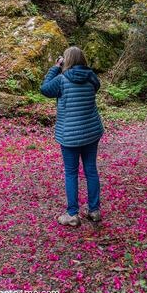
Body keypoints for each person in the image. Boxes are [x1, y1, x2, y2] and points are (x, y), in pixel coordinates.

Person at [40, 46, 104, 228]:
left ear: (66, 60)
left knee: (71, 172)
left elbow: (44, 89)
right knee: (91, 169)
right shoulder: (92, 77)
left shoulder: (61, 79)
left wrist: (55, 68)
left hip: (69, 135)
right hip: (91, 132)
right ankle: (94, 210)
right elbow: (96, 88)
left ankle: (72, 214)